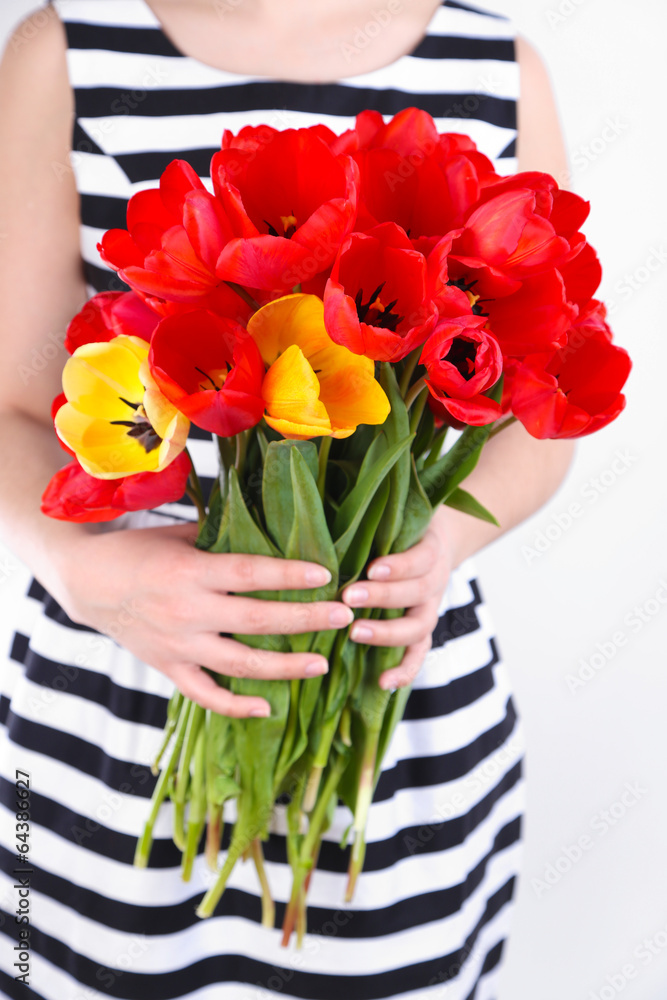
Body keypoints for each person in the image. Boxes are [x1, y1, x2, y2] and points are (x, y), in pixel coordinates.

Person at [0, 1, 575, 997]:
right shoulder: (70, 47)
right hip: (123, 680)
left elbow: (542, 404)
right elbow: (12, 401)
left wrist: (431, 538)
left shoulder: (495, 65)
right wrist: (86, 570)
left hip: (396, 688)